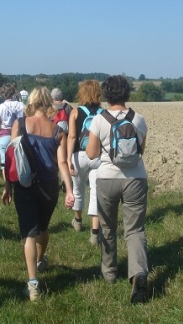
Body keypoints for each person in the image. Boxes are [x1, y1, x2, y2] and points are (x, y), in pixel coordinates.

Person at [1, 87, 74, 301]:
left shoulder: (20, 124)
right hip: (49, 186)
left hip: (24, 184)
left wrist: (7, 185)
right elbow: (62, 162)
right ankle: (40, 260)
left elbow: (10, 156)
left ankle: (33, 284)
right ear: (49, 103)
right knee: (42, 228)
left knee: (29, 233)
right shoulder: (57, 130)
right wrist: (69, 190)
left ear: (32, 102)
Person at [86, 75, 149, 304]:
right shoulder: (139, 119)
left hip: (107, 179)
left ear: (106, 95)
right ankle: (139, 273)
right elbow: (141, 150)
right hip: (136, 179)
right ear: (127, 93)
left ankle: (110, 273)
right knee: (135, 230)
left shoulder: (99, 120)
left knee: (107, 227)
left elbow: (92, 154)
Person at [67, 80, 102, 246]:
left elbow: (72, 137)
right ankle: (95, 233)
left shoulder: (75, 112)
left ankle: (78, 221)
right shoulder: (103, 113)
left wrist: (67, 159)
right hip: (98, 156)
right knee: (96, 192)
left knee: (78, 189)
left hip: (79, 155)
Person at [0, 83, 24, 181]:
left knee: (4, 161)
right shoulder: (20, 105)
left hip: (4, 134)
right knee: (19, 158)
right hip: (19, 133)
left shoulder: (0, 107)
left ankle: (7, 184)